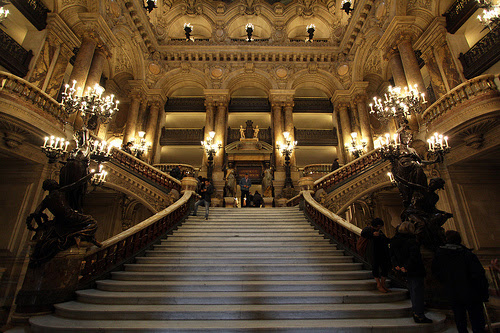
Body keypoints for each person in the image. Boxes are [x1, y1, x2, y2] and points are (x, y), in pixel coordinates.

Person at [432, 230, 489, 333]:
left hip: (453, 291)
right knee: (477, 322)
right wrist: (484, 293)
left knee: (460, 321)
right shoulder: (466, 254)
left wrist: (446, 283)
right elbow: (479, 275)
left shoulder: (440, 255)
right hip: (471, 292)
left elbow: (436, 272)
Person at [390, 221, 432, 324]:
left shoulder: (395, 240)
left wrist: (398, 266)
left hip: (404, 269)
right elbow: (414, 256)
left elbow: (392, 254)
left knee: (414, 291)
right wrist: (406, 266)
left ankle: (417, 312)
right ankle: (419, 314)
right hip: (414, 269)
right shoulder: (412, 241)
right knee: (417, 292)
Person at [361, 218, 391, 293]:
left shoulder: (380, 232)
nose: (380, 227)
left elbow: (385, 240)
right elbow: (363, 234)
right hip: (373, 252)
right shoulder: (368, 230)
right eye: (379, 226)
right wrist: (372, 235)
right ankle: (379, 284)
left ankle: (383, 284)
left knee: (385, 267)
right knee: (375, 267)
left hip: (382, 252)